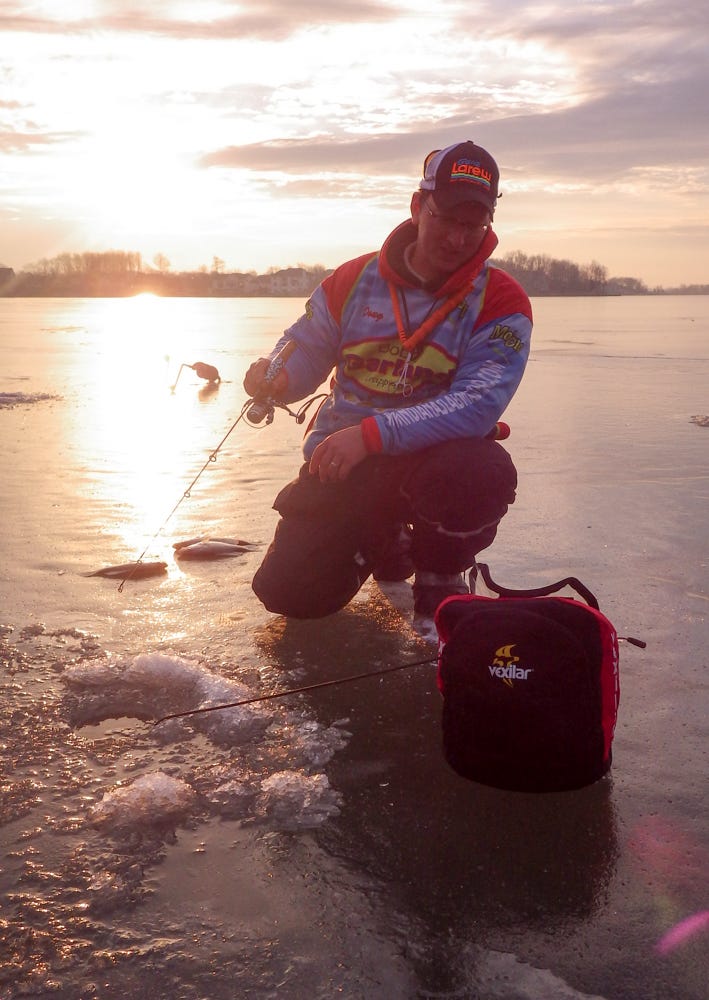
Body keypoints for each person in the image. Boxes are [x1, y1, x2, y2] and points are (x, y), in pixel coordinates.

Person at [243, 140, 532, 636]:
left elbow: (477, 404)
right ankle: (385, 540)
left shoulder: (502, 300)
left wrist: (371, 435)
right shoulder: (354, 279)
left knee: (480, 471)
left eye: (474, 224)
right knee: (289, 593)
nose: (459, 238)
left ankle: (440, 578)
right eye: (446, 218)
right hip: (344, 463)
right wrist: (276, 374)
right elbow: (304, 344)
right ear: (419, 206)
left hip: (434, 463)